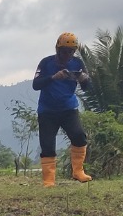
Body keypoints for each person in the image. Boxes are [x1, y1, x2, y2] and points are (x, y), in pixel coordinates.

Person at [30, 32, 92, 188]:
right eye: (64, 51)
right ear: (58, 49)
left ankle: (78, 171)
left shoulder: (77, 63)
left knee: (79, 136)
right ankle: (49, 180)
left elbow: (87, 88)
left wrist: (84, 79)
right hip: (47, 110)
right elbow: (36, 85)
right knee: (47, 144)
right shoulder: (46, 63)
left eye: (71, 51)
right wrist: (53, 77)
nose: (67, 54)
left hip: (68, 109)